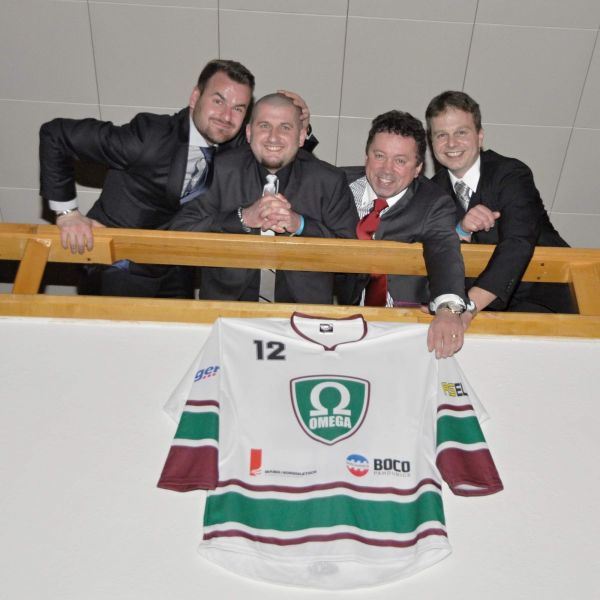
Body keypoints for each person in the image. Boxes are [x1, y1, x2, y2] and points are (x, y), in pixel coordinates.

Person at [39, 59, 316, 297]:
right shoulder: (148, 137)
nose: (226, 116)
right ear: (195, 98)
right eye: (218, 101)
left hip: (177, 270)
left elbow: (283, 156)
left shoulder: (238, 146)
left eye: (238, 108)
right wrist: (67, 213)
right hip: (118, 265)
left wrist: (302, 128)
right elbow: (56, 135)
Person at [169, 92, 357, 304]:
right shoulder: (217, 170)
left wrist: (301, 225)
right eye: (264, 126)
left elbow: (352, 255)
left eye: (285, 127)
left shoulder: (328, 181)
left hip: (305, 311)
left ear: (301, 136)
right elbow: (179, 234)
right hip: (226, 307)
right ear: (249, 133)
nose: (273, 137)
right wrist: (241, 218)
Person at [426, 90, 573, 324]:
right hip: (474, 314)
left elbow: (518, 242)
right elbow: (430, 250)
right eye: (441, 135)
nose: (451, 143)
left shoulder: (510, 174)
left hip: (545, 305)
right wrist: (460, 230)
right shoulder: (430, 192)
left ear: (480, 136)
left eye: (461, 132)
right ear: (431, 142)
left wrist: (467, 308)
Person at [337, 110, 472, 359]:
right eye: (379, 156)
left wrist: (448, 310)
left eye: (400, 161)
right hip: (339, 322)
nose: (386, 170)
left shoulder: (434, 202)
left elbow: (443, 251)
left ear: (418, 168)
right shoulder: (336, 185)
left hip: (403, 327)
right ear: (366, 155)